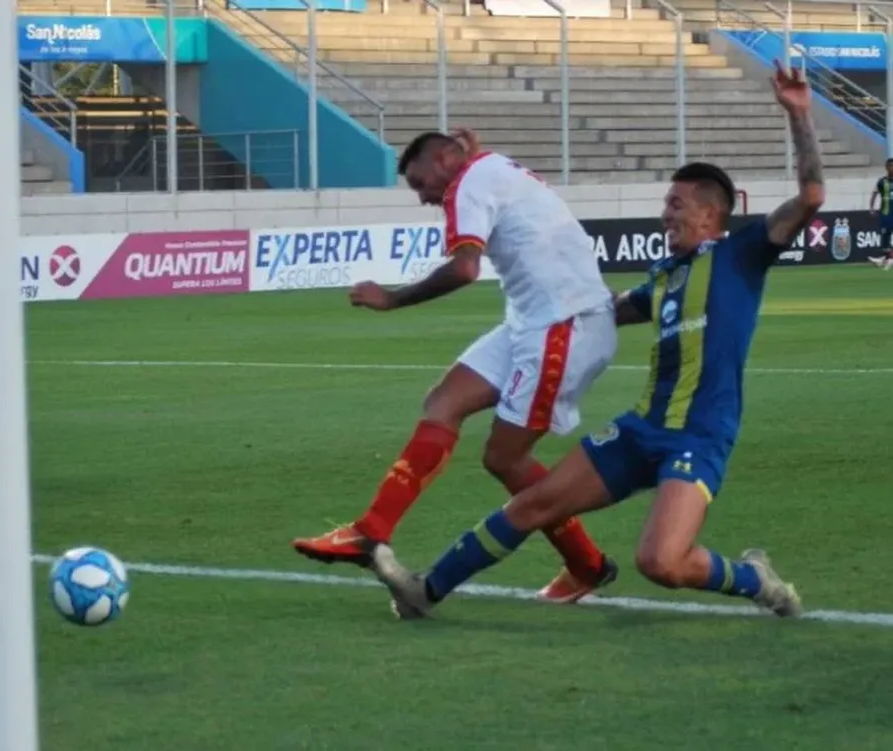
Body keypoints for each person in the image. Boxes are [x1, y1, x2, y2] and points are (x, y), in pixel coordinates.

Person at [369, 60, 820, 621]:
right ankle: (424, 590)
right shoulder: (665, 277)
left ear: (712, 214)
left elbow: (811, 196)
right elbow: (603, 312)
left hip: (698, 438)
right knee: (533, 503)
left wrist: (799, 114)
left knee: (660, 561)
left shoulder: (742, 256)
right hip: (641, 429)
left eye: (676, 205)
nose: (665, 214)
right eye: (665, 204)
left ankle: (757, 580)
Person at [292, 129, 622, 603]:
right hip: (534, 321)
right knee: (442, 403)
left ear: (447, 159)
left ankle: (586, 564)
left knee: (503, 459)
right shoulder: (488, 167)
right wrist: (476, 150)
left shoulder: (467, 181)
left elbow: (465, 269)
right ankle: (370, 531)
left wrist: (392, 298)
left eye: (422, 182)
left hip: (562, 326)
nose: (424, 196)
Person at [868, 158, 893, 270]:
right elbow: (874, 193)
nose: (891, 168)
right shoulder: (882, 181)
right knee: (885, 237)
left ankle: (887, 259)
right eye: (890, 166)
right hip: (886, 213)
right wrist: (872, 208)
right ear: (886, 167)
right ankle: (886, 259)